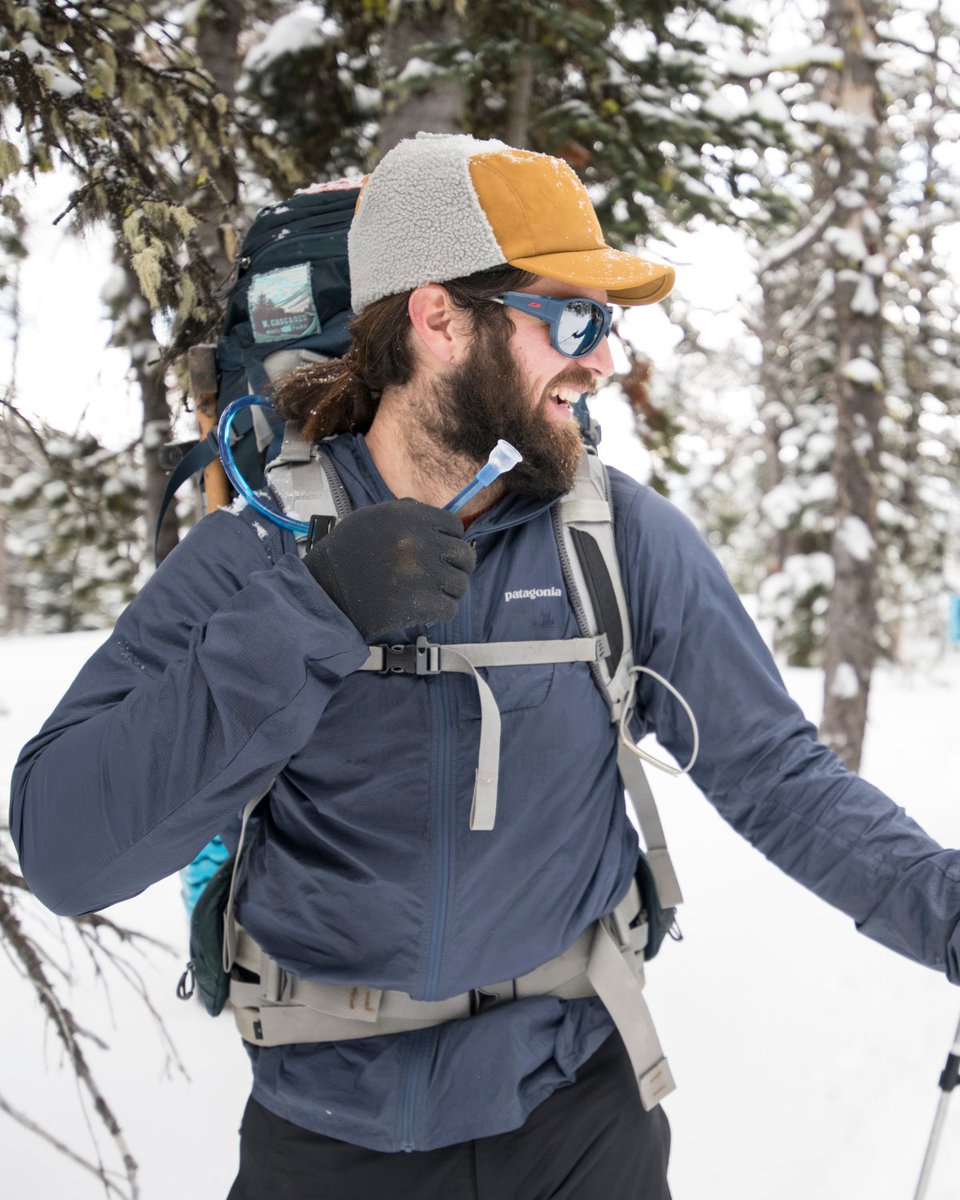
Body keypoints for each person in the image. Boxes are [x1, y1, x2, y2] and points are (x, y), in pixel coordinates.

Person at [10, 131, 960, 1200]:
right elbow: (65, 849)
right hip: (325, 1134)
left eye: (606, 324)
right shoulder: (265, 545)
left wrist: (946, 909)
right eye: (571, 317)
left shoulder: (617, 541)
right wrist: (311, 612)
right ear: (438, 317)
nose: (603, 358)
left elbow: (777, 776)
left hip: (577, 1117)